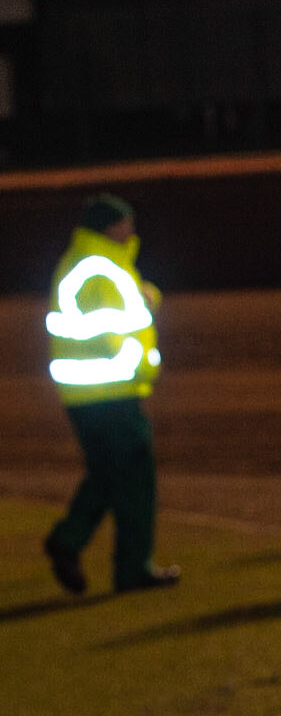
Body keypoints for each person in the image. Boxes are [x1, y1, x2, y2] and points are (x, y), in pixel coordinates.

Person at [43, 193, 178, 594]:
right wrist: (137, 360)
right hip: (108, 390)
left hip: (91, 392)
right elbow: (107, 327)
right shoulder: (98, 267)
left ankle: (73, 544)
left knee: (109, 473)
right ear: (109, 227)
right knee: (133, 477)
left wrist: (145, 298)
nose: (132, 229)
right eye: (126, 222)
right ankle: (125, 565)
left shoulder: (95, 263)